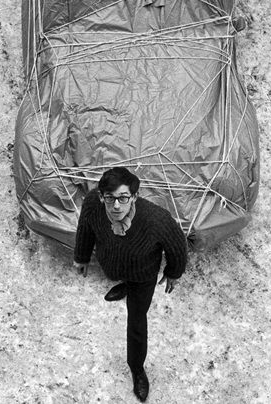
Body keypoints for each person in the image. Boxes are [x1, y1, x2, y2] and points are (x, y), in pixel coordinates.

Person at [74, 166, 187, 402]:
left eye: (123, 198)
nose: (116, 206)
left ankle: (137, 369)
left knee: (136, 321)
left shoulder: (156, 220)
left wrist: (173, 272)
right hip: (114, 265)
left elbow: (177, 245)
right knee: (119, 273)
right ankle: (123, 285)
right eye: (110, 198)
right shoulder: (93, 205)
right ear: (101, 196)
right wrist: (81, 257)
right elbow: (85, 228)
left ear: (134, 197)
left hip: (142, 276)